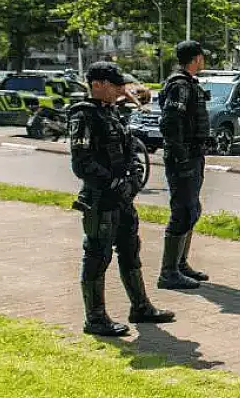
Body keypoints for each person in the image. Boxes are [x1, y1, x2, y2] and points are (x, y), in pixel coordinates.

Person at [70, 62, 175, 336]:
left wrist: (134, 179)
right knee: (97, 255)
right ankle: (95, 318)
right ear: (97, 85)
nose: (120, 90)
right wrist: (113, 183)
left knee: (130, 249)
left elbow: (131, 150)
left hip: (123, 199)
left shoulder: (112, 113)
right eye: (114, 85)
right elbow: (82, 163)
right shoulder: (84, 116)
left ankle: (140, 307)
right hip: (100, 199)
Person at [158, 40, 211, 290]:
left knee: (192, 210)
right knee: (182, 211)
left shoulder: (189, 83)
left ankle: (179, 264)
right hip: (183, 158)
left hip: (193, 154)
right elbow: (170, 124)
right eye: (202, 57)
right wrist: (181, 158)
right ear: (196, 58)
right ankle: (168, 272)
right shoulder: (179, 85)